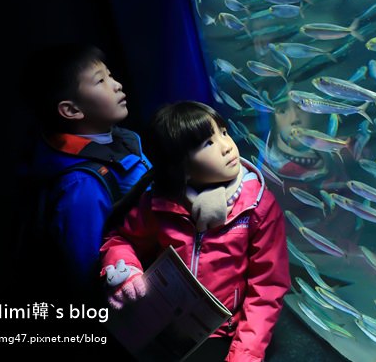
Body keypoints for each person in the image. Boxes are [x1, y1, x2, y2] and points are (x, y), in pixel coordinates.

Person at [101, 100, 290, 362]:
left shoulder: (258, 208)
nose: (226, 147)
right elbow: (121, 239)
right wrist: (126, 272)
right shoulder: (159, 202)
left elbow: (267, 287)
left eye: (223, 132)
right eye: (208, 143)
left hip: (226, 333)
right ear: (180, 166)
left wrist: (244, 355)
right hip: (160, 325)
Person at [16, 43, 151, 299]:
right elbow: (87, 271)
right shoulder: (80, 186)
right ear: (71, 110)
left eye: (110, 75)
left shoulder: (122, 141)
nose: (116, 84)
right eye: (100, 81)